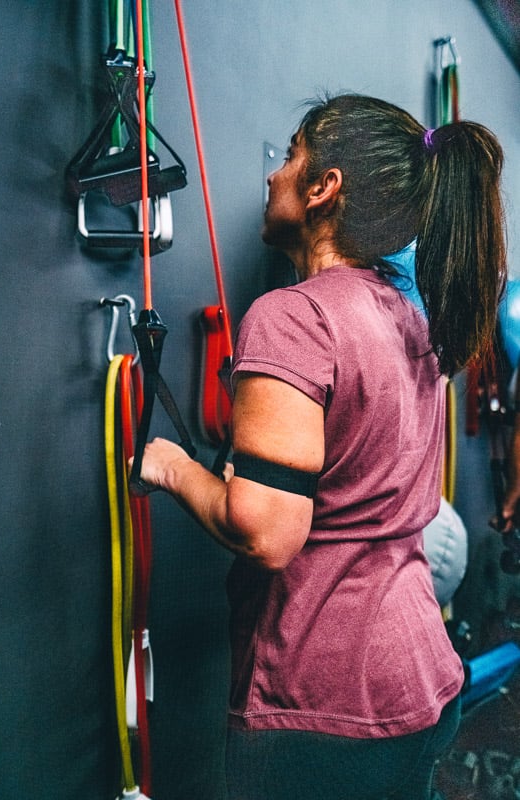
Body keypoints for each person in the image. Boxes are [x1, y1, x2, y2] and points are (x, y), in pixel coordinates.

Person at [134, 94, 506, 799]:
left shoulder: (293, 317)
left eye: (291, 155)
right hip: (422, 677)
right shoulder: (410, 315)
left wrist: (173, 467)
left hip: (324, 704)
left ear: (323, 187)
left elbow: (268, 533)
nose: (273, 174)